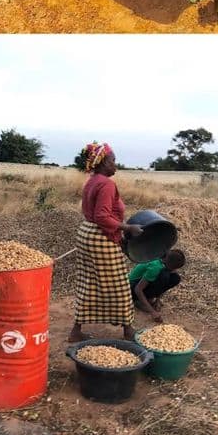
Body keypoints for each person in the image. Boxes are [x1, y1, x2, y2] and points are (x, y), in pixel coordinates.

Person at [68, 143, 144, 344]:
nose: (115, 165)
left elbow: (96, 215)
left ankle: (76, 331)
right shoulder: (107, 184)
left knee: (89, 283)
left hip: (87, 233)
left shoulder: (92, 181)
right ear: (102, 162)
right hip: (101, 238)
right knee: (119, 284)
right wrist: (127, 228)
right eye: (113, 160)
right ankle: (128, 330)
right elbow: (102, 216)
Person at [130, 248, 187, 323]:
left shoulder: (163, 262)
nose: (175, 270)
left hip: (142, 285)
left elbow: (164, 285)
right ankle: (138, 301)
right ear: (170, 265)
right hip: (131, 288)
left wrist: (158, 300)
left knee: (175, 278)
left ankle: (148, 299)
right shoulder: (155, 267)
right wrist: (152, 312)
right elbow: (138, 289)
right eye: (174, 268)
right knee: (164, 276)